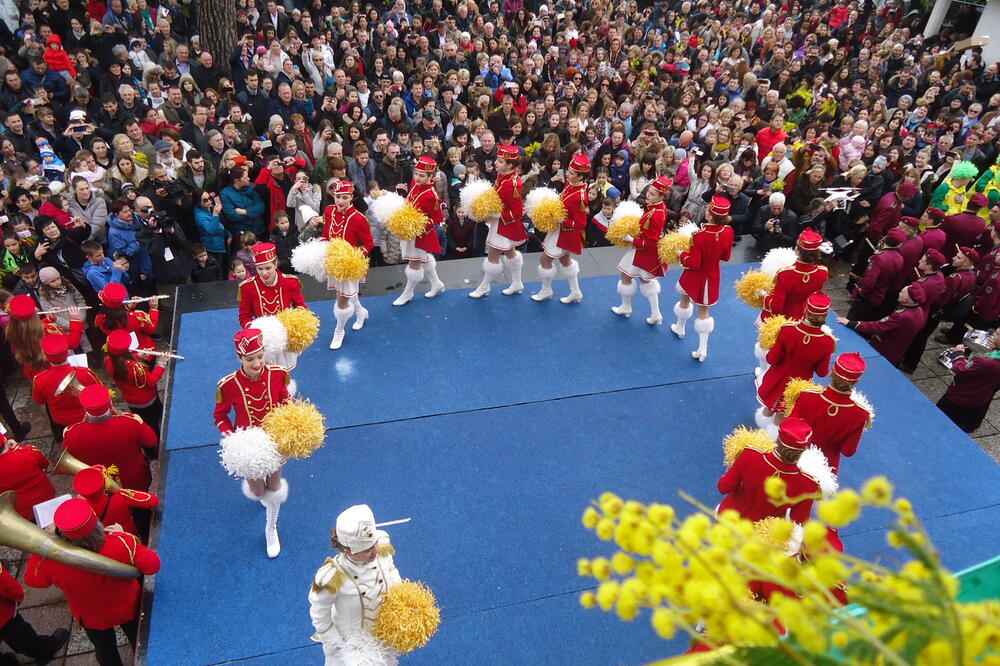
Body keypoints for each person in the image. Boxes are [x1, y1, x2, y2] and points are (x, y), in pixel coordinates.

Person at [24, 498, 161, 666]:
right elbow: (153, 565)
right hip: (127, 606)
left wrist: (43, 545)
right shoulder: (122, 542)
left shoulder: (52, 562)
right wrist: (124, 534)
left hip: (92, 616)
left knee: (105, 649)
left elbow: (32, 580)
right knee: (138, 639)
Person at [214, 329, 290, 557]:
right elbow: (220, 417)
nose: (256, 363)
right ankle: (263, 499)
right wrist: (233, 438)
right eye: (249, 359)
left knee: (274, 488)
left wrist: (288, 427)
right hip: (247, 450)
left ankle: (271, 528)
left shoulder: (278, 374)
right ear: (239, 358)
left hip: (275, 442)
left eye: (260, 356)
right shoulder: (227, 385)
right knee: (258, 492)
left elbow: (286, 402)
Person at [308, 504, 402, 665]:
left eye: (374, 544)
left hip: (382, 633)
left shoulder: (382, 548)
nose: (376, 551)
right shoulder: (332, 577)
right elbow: (319, 615)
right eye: (367, 550)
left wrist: (402, 599)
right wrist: (341, 646)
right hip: (350, 646)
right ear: (347, 550)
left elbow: (391, 570)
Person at [755, 293, 836, 435]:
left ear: (806, 310)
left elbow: (772, 359)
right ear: (825, 316)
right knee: (782, 414)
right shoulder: (828, 342)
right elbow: (822, 372)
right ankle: (770, 439)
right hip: (799, 386)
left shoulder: (787, 329)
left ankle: (762, 434)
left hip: (777, 378)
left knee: (768, 408)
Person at [717, 417, 820, 524]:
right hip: (761, 537)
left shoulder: (750, 456)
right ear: (804, 449)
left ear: (778, 439)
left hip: (729, 522)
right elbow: (798, 522)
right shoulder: (808, 484)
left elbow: (723, 487)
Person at [672, 195, 735, 361]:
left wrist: (681, 254)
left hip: (696, 276)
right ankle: (681, 329)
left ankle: (702, 348)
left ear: (709, 215)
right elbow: (726, 257)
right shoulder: (728, 232)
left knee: (694, 305)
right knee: (700, 308)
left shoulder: (699, 236)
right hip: (712, 275)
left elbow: (693, 263)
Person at [63, 384, 159, 490]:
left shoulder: (70, 433)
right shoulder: (131, 422)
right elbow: (151, 441)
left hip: (101, 483)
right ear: (110, 404)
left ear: (85, 410)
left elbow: (72, 454)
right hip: (135, 478)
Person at [789, 353, 871, 473]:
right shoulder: (860, 415)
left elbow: (789, 425)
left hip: (796, 457)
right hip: (826, 467)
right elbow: (848, 451)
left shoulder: (807, 396)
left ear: (832, 372)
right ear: (856, 381)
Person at [317, 182, 374, 349]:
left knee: (342, 299)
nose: (340, 201)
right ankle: (360, 312)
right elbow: (326, 234)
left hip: (350, 265)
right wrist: (319, 247)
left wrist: (352, 258)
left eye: (345, 197)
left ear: (351, 198)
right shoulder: (329, 211)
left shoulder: (358, 218)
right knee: (346, 293)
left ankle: (339, 330)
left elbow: (369, 244)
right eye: (337, 197)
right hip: (333, 262)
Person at [469, 145, 527, 298]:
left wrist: (495, 215)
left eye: (500, 161)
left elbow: (517, 212)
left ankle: (484, 286)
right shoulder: (502, 176)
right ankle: (517, 283)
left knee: (493, 255)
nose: (495, 163)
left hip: (505, 225)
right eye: (497, 159)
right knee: (510, 253)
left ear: (510, 165)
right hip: (499, 222)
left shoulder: (514, 183)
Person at [611, 176, 671, 325]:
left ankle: (632, 308)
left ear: (661, 196)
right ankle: (651, 313)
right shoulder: (656, 208)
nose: (648, 196)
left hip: (645, 252)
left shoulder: (657, 213)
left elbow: (651, 242)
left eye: (652, 194)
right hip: (643, 250)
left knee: (640, 279)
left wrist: (631, 239)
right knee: (640, 279)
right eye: (648, 192)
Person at [531, 154, 590, 304]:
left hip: (565, 234)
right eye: (568, 171)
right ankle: (576, 292)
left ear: (580, 177)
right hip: (558, 231)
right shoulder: (571, 185)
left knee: (545, 259)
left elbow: (581, 223)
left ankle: (546, 290)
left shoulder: (581, 196)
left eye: (571, 173)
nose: (567, 174)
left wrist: (561, 220)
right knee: (566, 261)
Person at [392, 155, 446, 306]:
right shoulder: (415, 183)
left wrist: (418, 226)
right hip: (410, 232)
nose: (417, 177)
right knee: (423, 259)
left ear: (431, 176)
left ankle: (408, 293)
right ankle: (436, 283)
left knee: (414, 263)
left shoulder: (432, 196)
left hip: (421, 235)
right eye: (416, 174)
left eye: (422, 175)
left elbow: (438, 218)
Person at [838, 283, 929, 367]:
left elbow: (877, 326)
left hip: (884, 349)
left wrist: (851, 323)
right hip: (897, 351)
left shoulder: (901, 315)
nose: (899, 293)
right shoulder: (919, 311)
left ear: (906, 300)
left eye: (902, 292)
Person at [31, 335, 101, 442]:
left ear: (46, 356)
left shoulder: (39, 379)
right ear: (67, 352)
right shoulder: (84, 373)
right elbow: (99, 392)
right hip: (85, 415)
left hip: (60, 419)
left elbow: (39, 400)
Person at [0, 563, 69, 664]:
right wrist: (18, 595)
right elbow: (5, 583)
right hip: (3, 616)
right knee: (20, 636)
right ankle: (43, 651)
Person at [72, 464, 160, 543]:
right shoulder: (120, 496)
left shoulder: (82, 510)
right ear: (104, 485)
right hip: (131, 532)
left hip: (109, 540)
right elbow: (153, 500)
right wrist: (119, 490)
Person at [103, 329, 167, 435]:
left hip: (131, 399)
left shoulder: (108, 360)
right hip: (146, 398)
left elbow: (122, 359)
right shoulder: (134, 367)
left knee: (148, 420)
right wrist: (161, 364)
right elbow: (151, 381)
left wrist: (139, 356)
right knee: (153, 424)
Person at [760, 228, 828, 324]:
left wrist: (764, 294)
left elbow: (776, 306)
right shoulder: (823, 272)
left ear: (797, 250)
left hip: (783, 319)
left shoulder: (784, 274)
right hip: (804, 317)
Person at [937, 330, 1000, 433]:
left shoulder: (985, 362)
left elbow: (961, 370)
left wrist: (958, 354)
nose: (993, 335)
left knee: (940, 420)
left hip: (960, 398)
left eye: (997, 334)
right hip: (979, 400)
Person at [237, 242, 307, 327]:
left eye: (268, 268)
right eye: (260, 269)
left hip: (287, 331)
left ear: (275, 265)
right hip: (262, 334)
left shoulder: (290, 282)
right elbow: (244, 317)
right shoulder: (247, 287)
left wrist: (297, 322)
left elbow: (300, 306)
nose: (264, 273)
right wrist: (255, 329)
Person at [848, 227, 907, 322]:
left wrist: (861, 293)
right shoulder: (900, 258)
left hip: (868, 297)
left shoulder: (878, 258)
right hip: (880, 295)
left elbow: (869, 281)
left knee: (853, 320)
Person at [0, 433, 55, 521]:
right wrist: (18, 448)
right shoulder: (28, 452)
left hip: (24, 513)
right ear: (5, 440)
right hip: (47, 497)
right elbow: (45, 463)